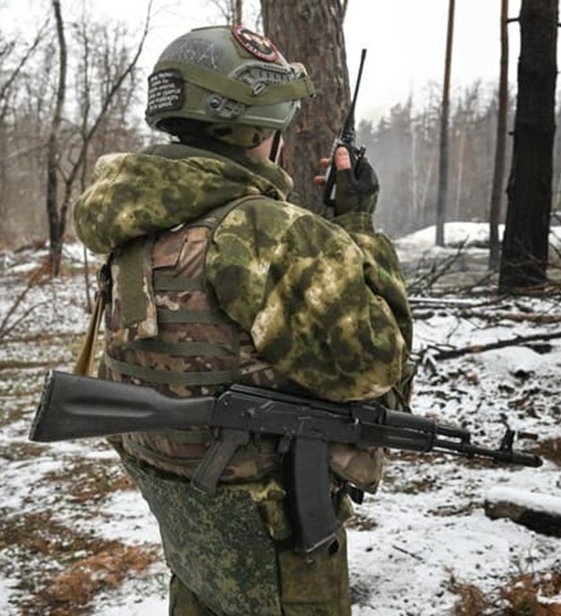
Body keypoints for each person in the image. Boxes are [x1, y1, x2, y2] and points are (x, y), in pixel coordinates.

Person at [72, 24, 413, 616]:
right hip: (276, 548)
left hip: (192, 526)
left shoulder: (139, 227)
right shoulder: (264, 232)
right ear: (256, 128)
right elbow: (380, 368)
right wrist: (355, 226)